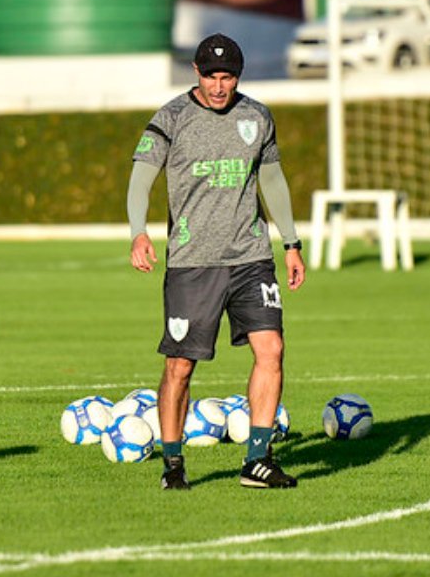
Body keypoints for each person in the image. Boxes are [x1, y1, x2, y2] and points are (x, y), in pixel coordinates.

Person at [129, 33, 305, 489]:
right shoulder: (171, 118)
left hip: (251, 257)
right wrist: (138, 233)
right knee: (180, 368)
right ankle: (173, 464)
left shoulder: (256, 116)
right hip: (193, 263)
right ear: (197, 72)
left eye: (228, 77)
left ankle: (257, 461)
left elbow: (273, 180)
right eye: (212, 76)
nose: (220, 86)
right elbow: (139, 180)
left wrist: (291, 243)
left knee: (273, 349)